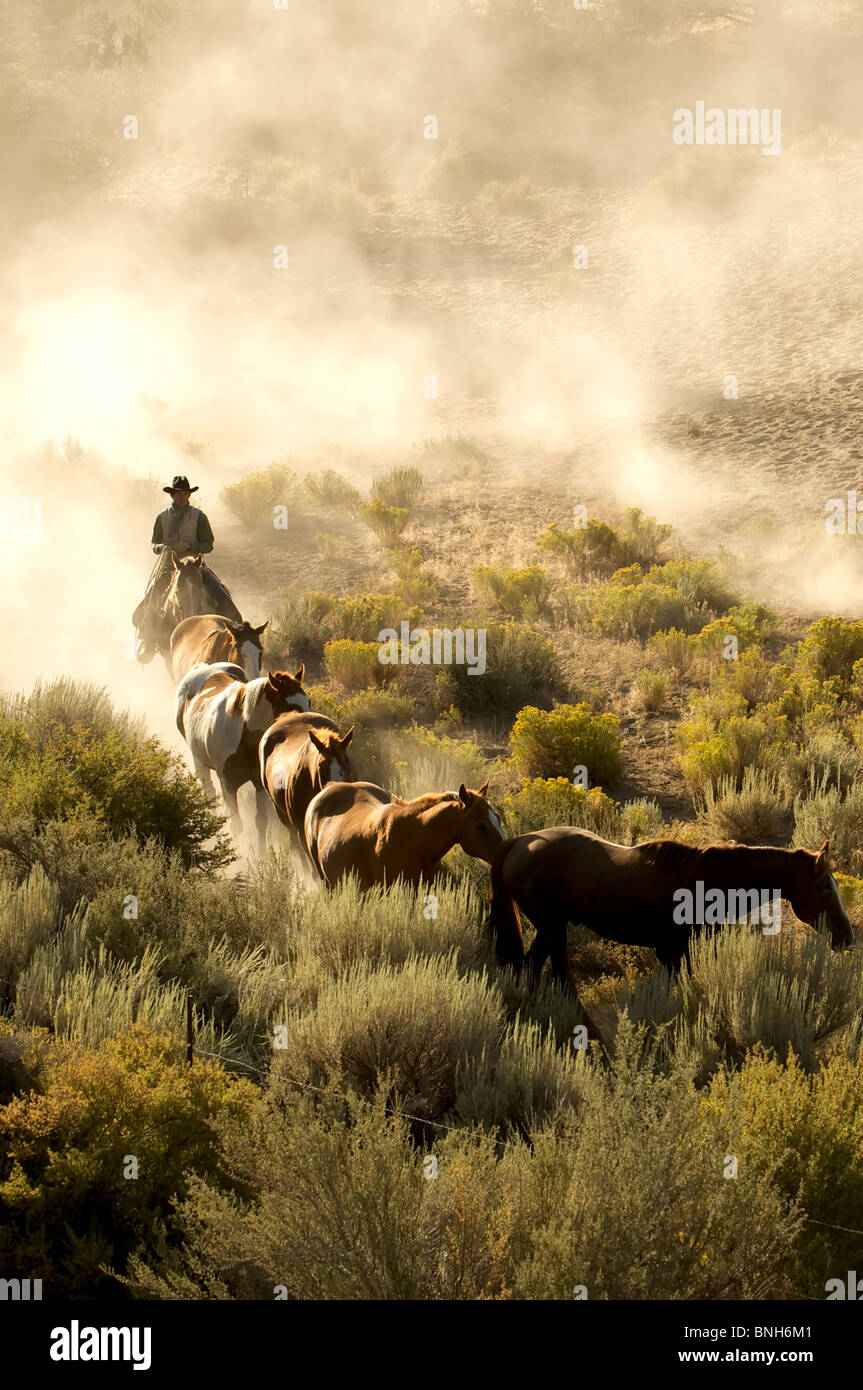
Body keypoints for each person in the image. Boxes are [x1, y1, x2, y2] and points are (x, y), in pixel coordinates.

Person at [133, 475, 215, 662]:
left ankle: (235, 628)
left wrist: (190, 546)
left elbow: (208, 545)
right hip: (168, 567)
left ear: (189, 495)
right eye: (178, 494)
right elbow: (154, 543)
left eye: (185, 493)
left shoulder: (199, 517)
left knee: (218, 591)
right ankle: (147, 639)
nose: (182, 497)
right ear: (172, 495)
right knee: (151, 598)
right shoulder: (162, 518)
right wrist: (160, 548)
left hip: (195, 566)